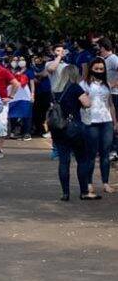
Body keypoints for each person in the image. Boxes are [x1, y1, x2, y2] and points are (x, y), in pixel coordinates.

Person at [49, 65, 92, 200]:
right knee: (82, 159)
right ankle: (84, 191)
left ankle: (65, 193)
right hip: (73, 127)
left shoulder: (56, 89)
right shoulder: (75, 87)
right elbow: (87, 103)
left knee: (63, 161)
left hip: (58, 128)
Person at [79, 57, 117, 196]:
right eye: (96, 69)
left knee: (105, 154)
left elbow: (110, 104)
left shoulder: (106, 84)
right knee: (91, 154)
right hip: (91, 122)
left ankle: (105, 183)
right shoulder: (84, 84)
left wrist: (115, 122)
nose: (99, 71)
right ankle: (89, 183)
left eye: (101, 69)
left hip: (106, 121)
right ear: (91, 69)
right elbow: (81, 103)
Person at [8, 57, 34, 139]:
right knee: (13, 114)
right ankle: (13, 132)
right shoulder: (7, 71)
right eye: (14, 60)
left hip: (25, 96)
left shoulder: (28, 71)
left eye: (18, 60)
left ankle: (27, 133)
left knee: (26, 114)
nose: (16, 62)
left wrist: (32, 95)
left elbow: (32, 84)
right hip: (12, 95)